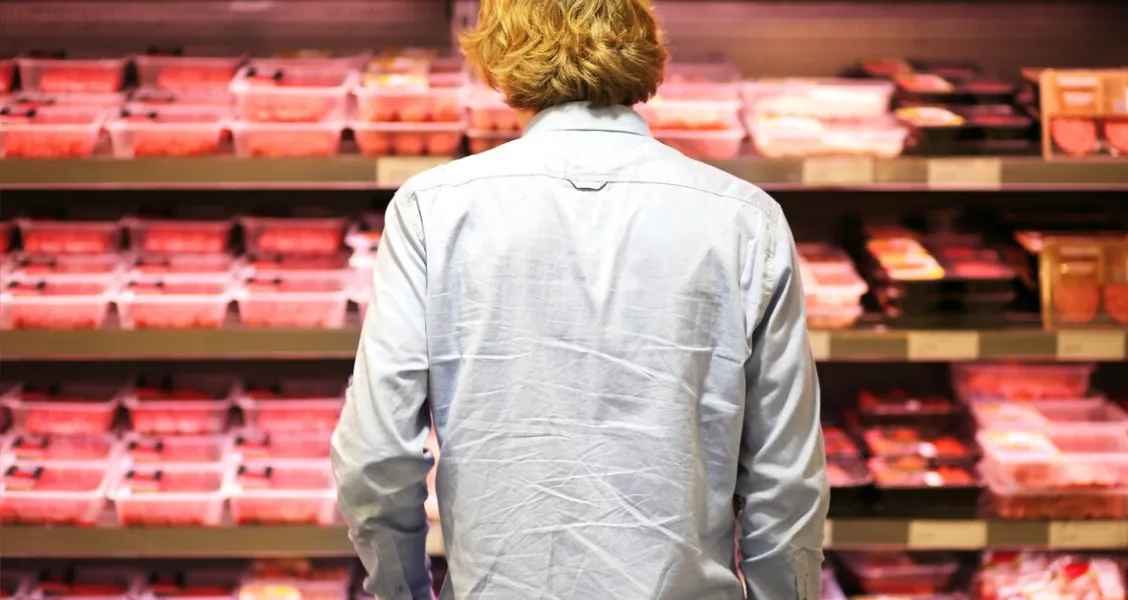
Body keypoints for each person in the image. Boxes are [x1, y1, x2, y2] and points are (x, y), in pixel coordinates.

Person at [330, 0, 829, 597]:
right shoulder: (748, 220)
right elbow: (786, 481)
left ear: (502, 58)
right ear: (646, 55)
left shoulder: (431, 210)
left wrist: (403, 591)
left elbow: (375, 459)